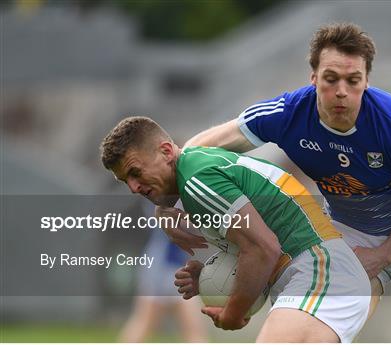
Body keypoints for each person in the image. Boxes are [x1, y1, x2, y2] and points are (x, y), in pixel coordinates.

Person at [180, 22, 391, 342]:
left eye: (353, 81)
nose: (341, 91)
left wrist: (386, 254)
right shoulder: (288, 114)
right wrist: (175, 204)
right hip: (346, 236)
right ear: (313, 78)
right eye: (330, 79)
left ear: (366, 81)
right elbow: (195, 152)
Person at [100, 116, 373, 342]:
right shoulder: (197, 167)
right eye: (126, 181)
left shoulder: (197, 180)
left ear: (166, 152)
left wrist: (233, 312)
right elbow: (258, 245)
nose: (134, 187)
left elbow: (263, 249)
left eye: (135, 172)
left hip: (321, 272)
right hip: (318, 273)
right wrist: (210, 276)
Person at [118, 200, 208, 343]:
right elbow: (185, 223)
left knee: (193, 329)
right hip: (162, 266)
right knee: (144, 323)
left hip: (172, 265)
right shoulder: (163, 195)